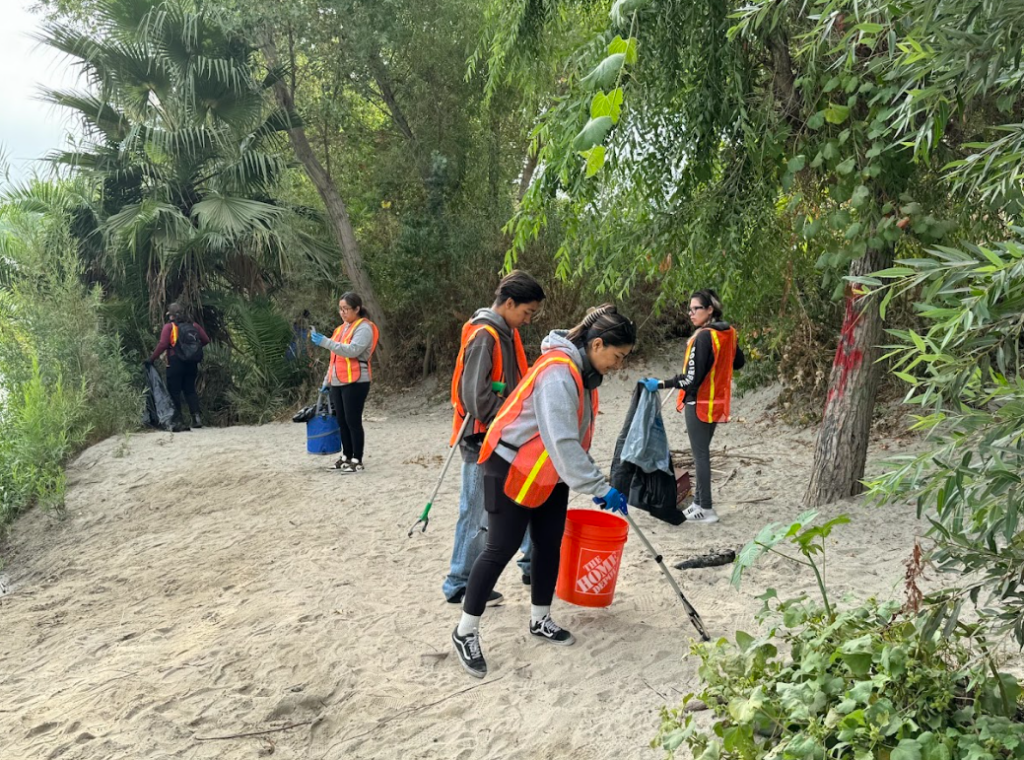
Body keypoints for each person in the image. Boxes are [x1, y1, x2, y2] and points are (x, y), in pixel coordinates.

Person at [451, 305, 636, 679]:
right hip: (511, 465)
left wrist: (590, 482)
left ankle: (540, 620)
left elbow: (567, 443)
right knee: (500, 547)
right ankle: (464, 631)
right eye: (617, 357)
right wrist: (599, 487)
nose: (618, 366)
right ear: (597, 344)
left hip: (549, 470)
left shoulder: (582, 372)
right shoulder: (558, 372)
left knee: (548, 543)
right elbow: (563, 441)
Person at [444, 271, 545, 607]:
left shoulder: (505, 331)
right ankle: (459, 583)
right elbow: (474, 396)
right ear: (509, 303)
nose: (528, 320)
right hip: (481, 438)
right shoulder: (485, 335)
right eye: (526, 313)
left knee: (525, 495)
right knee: (475, 511)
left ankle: (532, 564)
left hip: (505, 433)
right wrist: (509, 417)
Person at [640, 289, 745, 524]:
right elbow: (739, 362)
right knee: (703, 454)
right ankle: (698, 503)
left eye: (695, 308)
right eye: (689, 309)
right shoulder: (728, 333)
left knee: (701, 457)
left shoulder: (704, 337)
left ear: (710, 309)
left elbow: (690, 379)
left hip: (698, 403)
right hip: (716, 402)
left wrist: (659, 383)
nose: (690, 313)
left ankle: (706, 508)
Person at [310, 292, 380, 473]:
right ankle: (346, 456)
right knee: (341, 420)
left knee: (353, 421)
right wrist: (327, 381)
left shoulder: (364, 328)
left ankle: (357, 459)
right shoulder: (340, 329)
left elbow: (352, 351)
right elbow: (334, 358)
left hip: (356, 381)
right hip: (338, 381)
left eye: (346, 309)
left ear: (357, 309)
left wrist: (325, 342)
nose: (342, 313)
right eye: (340, 309)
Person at [146, 302, 210, 432]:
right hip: (191, 363)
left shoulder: (169, 327)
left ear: (171, 316)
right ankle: (196, 419)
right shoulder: (194, 326)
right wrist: (191, 350)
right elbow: (206, 340)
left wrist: (151, 359)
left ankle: (178, 420)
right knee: (190, 390)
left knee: (174, 391)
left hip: (175, 362)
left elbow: (163, 344)